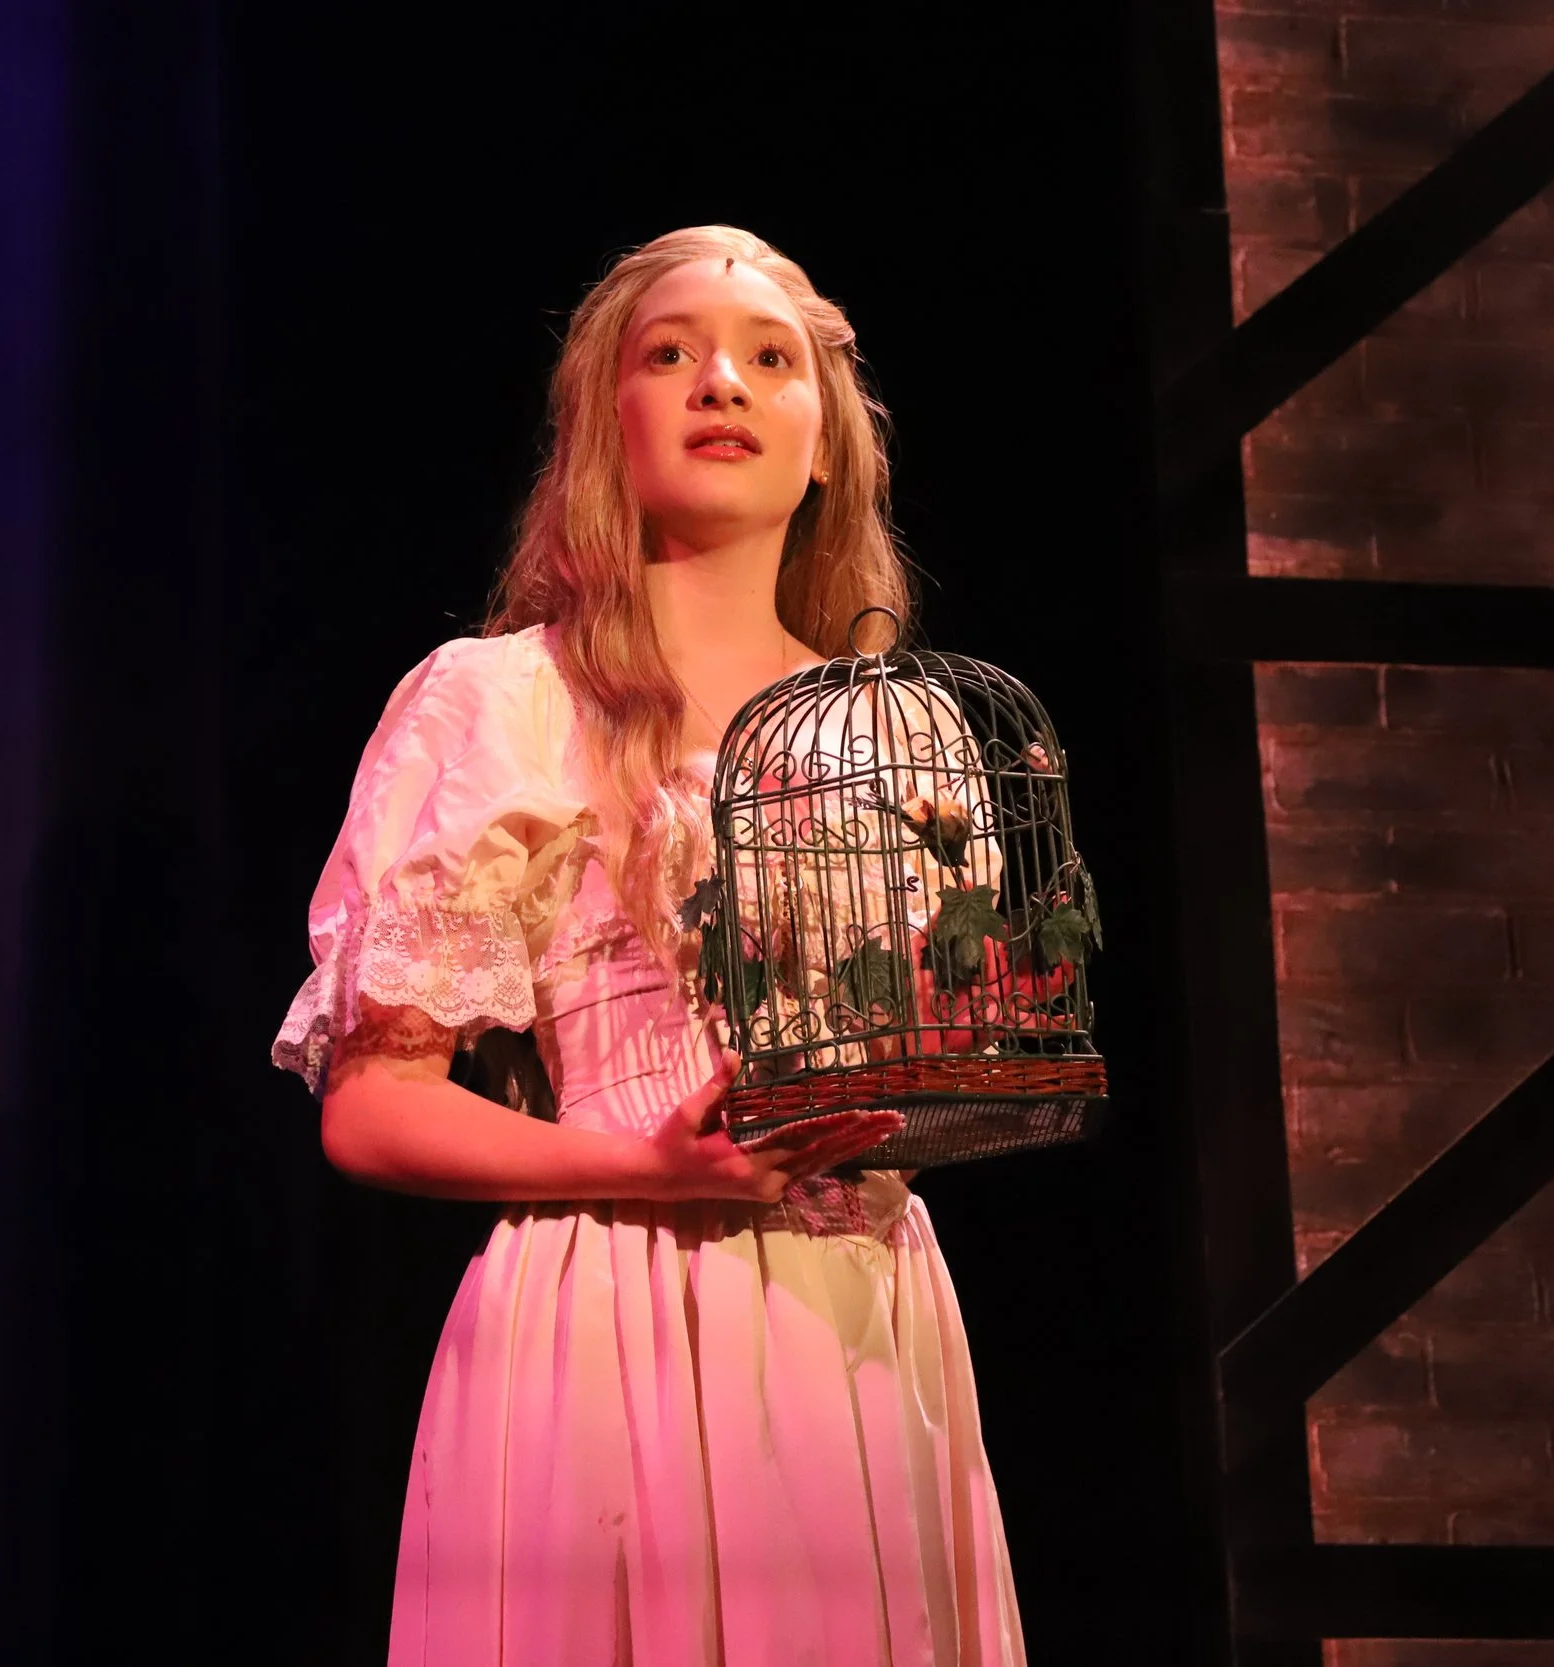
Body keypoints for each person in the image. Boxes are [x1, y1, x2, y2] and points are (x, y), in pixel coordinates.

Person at [272, 225, 1025, 1666]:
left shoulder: (905, 730)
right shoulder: (500, 701)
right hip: (606, 1303)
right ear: (600, 432)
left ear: (826, 444)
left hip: (861, 1320)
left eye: (767, 358)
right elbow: (373, 1109)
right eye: (669, 354)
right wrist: (653, 1163)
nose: (719, 383)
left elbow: (952, 1056)